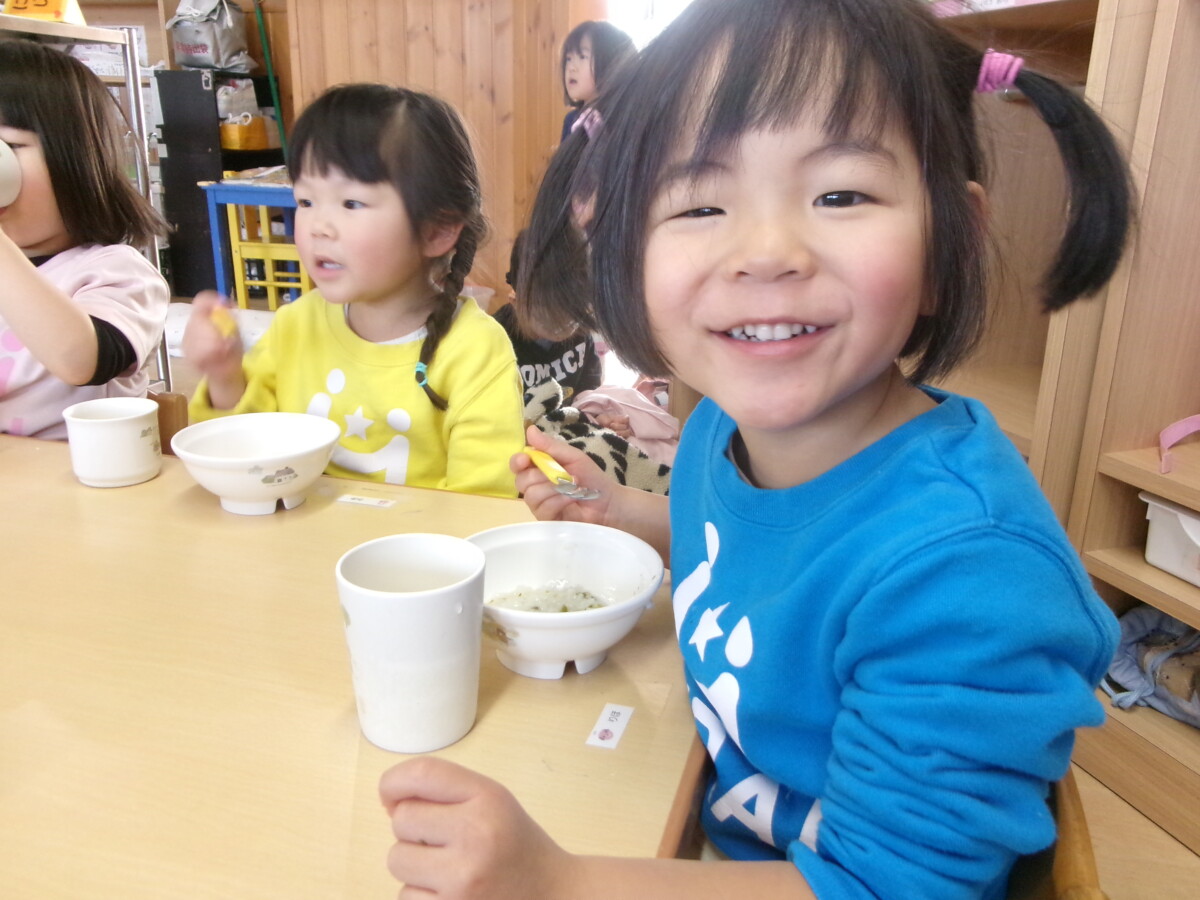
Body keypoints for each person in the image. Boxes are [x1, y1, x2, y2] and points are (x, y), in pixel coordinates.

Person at [378, 0, 1133, 898]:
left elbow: (879, 888)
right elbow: (758, 547)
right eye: (701, 203)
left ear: (950, 242)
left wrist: (559, 884)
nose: (766, 252)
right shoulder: (723, 431)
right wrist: (627, 516)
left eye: (840, 194)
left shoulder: (964, 577)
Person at [183, 84, 524, 497]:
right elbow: (243, 460)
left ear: (437, 230)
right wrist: (224, 375)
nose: (318, 227)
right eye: (305, 202)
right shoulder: (295, 325)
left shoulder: (476, 353)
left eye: (351, 204)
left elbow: (484, 505)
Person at [0, 40, 170, 440]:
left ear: (75, 159)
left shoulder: (116, 273)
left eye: (10, 146)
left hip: (84, 473)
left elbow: (80, 361)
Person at [493, 229, 602, 403]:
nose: (564, 324)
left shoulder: (581, 329)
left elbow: (589, 384)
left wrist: (594, 410)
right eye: (550, 319)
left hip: (569, 417)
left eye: (574, 316)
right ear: (517, 303)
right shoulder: (495, 341)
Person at [559, 20, 635, 141]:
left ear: (610, 63)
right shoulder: (571, 119)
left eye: (582, 57)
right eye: (568, 59)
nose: (571, 68)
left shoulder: (624, 119)